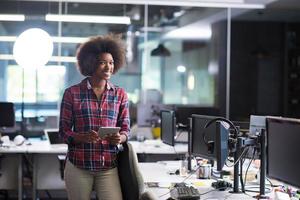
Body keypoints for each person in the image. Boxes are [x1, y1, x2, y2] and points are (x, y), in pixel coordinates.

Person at [59, 34, 130, 200]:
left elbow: (126, 128)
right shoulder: (72, 93)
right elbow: (63, 132)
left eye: (111, 63)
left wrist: (121, 138)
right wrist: (80, 137)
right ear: (91, 63)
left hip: (108, 166)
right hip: (79, 166)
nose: (108, 67)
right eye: (102, 62)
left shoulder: (119, 94)